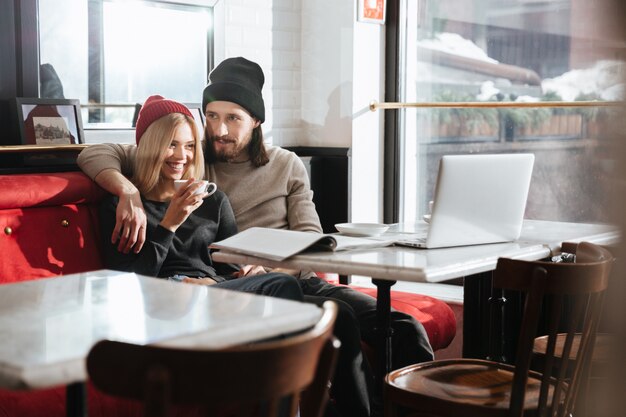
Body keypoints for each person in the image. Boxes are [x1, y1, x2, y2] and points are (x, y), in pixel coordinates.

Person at [78, 57, 434, 417]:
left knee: (399, 326)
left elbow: (307, 237)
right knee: (304, 304)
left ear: (256, 122)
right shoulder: (194, 158)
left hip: (294, 276)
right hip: (232, 290)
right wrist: (127, 192)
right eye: (212, 116)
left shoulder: (281, 165)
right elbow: (104, 152)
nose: (219, 129)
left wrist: (266, 269)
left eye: (233, 118)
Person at [99, 94, 303, 303]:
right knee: (283, 285)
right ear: (150, 146)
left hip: (214, 293)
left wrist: (219, 281)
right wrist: (169, 225)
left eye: (189, 146)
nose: (181, 156)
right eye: (171, 144)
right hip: (161, 298)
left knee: (300, 293)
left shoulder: (214, 202)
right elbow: (125, 283)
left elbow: (230, 269)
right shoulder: (123, 207)